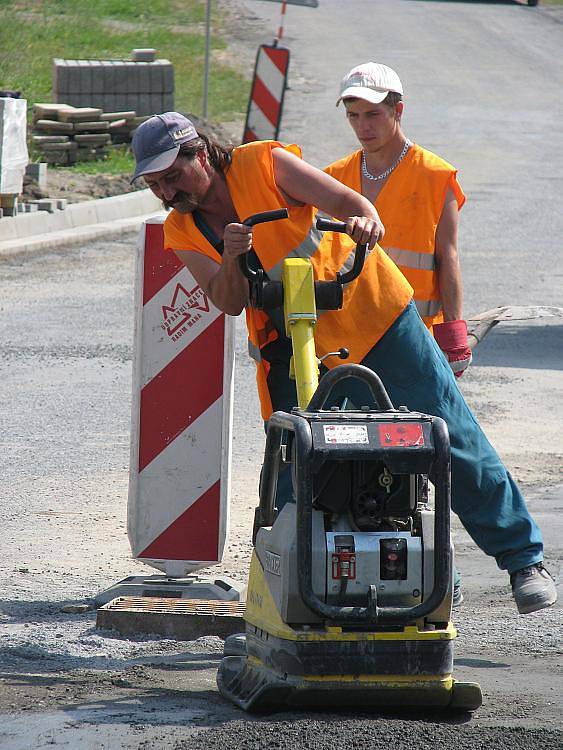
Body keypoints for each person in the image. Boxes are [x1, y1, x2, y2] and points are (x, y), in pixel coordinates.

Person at [131, 112, 557, 615]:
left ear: (200, 153)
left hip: (374, 316)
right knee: (305, 469)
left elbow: (348, 201)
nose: (168, 192)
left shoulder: (265, 164)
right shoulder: (183, 229)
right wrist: (229, 256)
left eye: (173, 176)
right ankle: (317, 591)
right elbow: (227, 300)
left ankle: (522, 559)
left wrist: (364, 218)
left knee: (449, 438)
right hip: (293, 346)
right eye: (156, 185)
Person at [325, 62, 472, 378]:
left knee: (435, 426)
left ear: (398, 110)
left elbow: (448, 256)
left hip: (416, 339)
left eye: (373, 114)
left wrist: (454, 330)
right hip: (352, 340)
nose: (363, 127)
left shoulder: (435, 175)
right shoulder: (334, 179)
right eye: (354, 116)